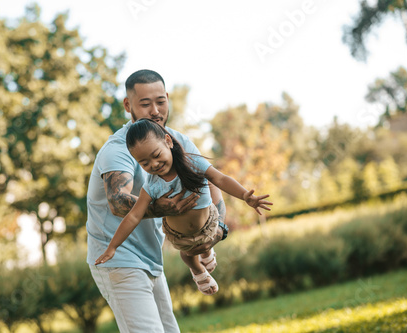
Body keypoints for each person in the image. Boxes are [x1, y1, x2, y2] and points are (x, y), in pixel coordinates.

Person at [86, 69, 227, 333]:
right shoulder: (118, 148)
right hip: (118, 260)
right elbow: (118, 202)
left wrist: (218, 229)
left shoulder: (175, 140)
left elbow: (209, 181)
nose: (155, 110)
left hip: (151, 258)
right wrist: (166, 207)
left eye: (160, 101)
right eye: (145, 103)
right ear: (128, 105)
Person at [95, 118, 273, 295]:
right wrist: (112, 247)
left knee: (202, 245)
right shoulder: (151, 186)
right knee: (187, 255)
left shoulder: (193, 164)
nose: (154, 165)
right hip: (180, 237)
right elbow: (133, 216)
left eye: (156, 155)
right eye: (144, 163)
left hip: (208, 224)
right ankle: (197, 270)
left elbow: (220, 179)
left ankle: (207, 250)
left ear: (168, 141)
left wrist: (244, 196)